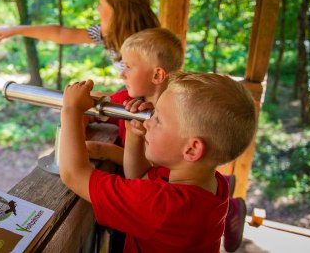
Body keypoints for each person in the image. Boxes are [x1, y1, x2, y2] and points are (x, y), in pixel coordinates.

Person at [84, 28, 247, 252]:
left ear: (157, 75)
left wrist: (101, 149)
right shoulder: (140, 104)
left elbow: (75, 174)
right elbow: (143, 176)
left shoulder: (178, 119)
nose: (122, 74)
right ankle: (230, 208)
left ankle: (232, 209)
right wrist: (131, 134)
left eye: (128, 67)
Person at [59, 71, 257, 252]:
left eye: (158, 120)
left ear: (192, 149)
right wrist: (134, 135)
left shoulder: (164, 206)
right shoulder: (211, 183)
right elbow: (137, 177)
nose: (148, 122)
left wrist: (71, 110)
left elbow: (74, 174)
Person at [0, 0, 160, 74]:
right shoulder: (108, 34)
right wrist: (15, 30)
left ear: (119, 11)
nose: (98, 9)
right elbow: (60, 34)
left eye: (101, 4)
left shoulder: (151, 46)